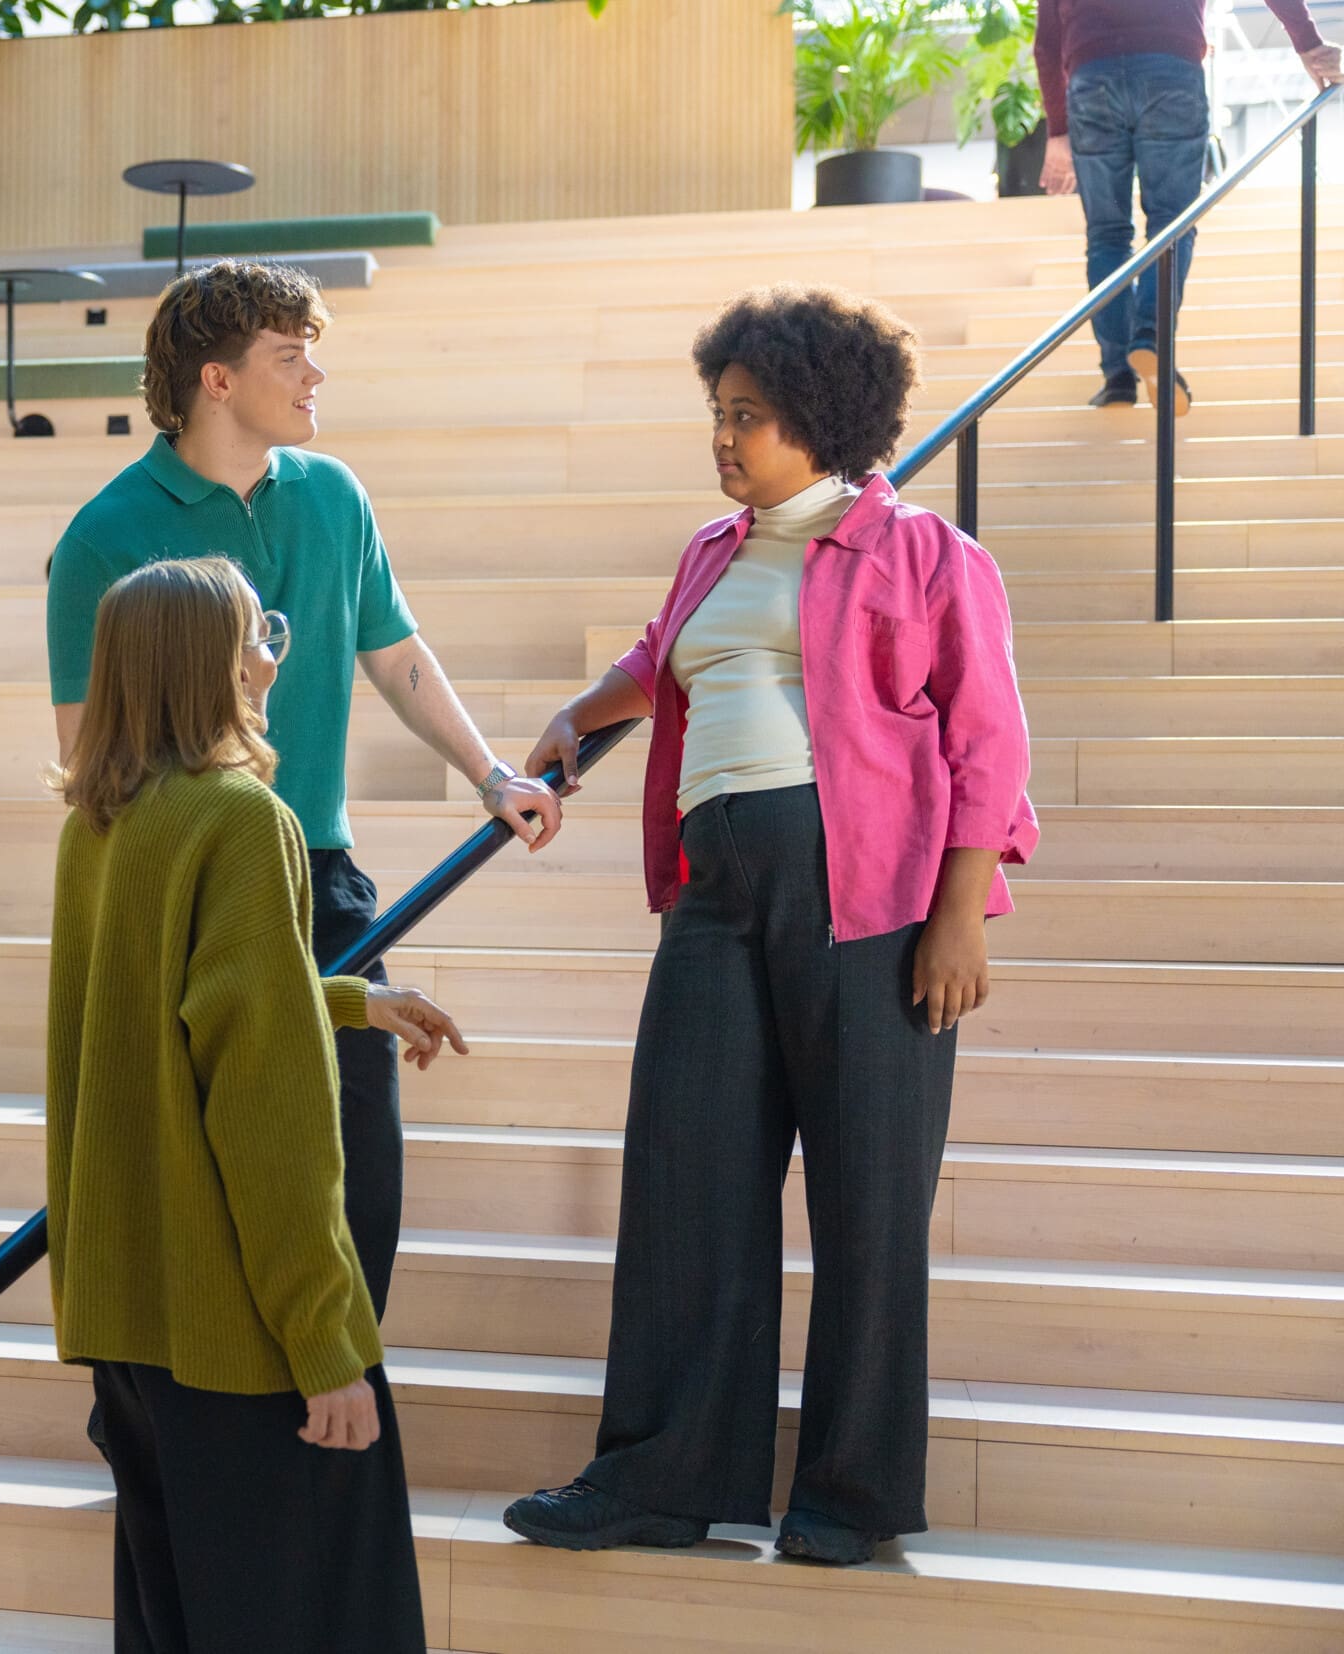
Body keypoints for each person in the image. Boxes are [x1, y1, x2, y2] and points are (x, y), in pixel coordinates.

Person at [500, 285, 1039, 1567]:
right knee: (685, 1177)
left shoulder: (924, 555)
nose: (723, 437)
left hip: (867, 895)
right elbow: (661, 655)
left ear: (822, 416)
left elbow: (989, 745)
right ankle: (658, 1476)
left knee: (866, 1197)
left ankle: (846, 1496)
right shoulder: (713, 551)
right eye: (716, 413)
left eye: (747, 416)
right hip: (714, 890)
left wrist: (957, 919)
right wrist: (577, 718)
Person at [46, 258, 562, 1323]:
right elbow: (87, 757)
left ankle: (340, 1392)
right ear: (216, 380)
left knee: (356, 1161)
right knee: (201, 1168)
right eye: (290, 356)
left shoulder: (333, 498)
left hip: (317, 870)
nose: (316, 373)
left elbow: (394, 652)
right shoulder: (102, 536)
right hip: (183, 879)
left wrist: (489, 772)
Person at [49, 554, 466, 1652]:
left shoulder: (101, 822)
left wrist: (342, 1000)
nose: (269, 658)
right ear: (207, 665)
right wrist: (326, 1340)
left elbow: (152, 1015)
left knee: (171, 1622)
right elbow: (266, 1117)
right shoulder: (243, 818)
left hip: (127, 1323)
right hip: (233, 1331)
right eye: (254, 636)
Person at [1037, 0, 1341, 411]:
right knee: (1172, 224)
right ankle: (1151, 337)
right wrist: (1308, 44)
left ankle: (1118, 377)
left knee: (1107, 235)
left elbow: (1047, 41)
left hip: (1094, 78)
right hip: (1171, 71)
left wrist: (1057, 131)